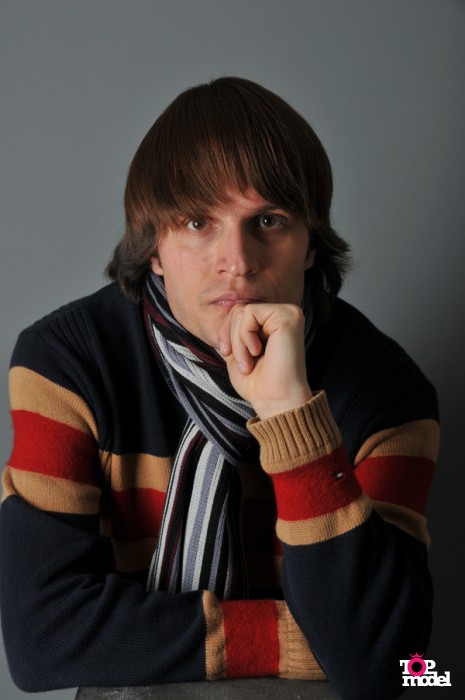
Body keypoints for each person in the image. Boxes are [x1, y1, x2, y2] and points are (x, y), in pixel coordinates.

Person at [1, 77, 439, 700]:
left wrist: (290, 415)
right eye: (197, 221)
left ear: (309, 246)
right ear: (154, 249)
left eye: (269, 221)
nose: (237, 259)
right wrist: (302, 644)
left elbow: (394, 664)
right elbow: (42, 641)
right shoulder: (67, 362)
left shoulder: (387, 391)